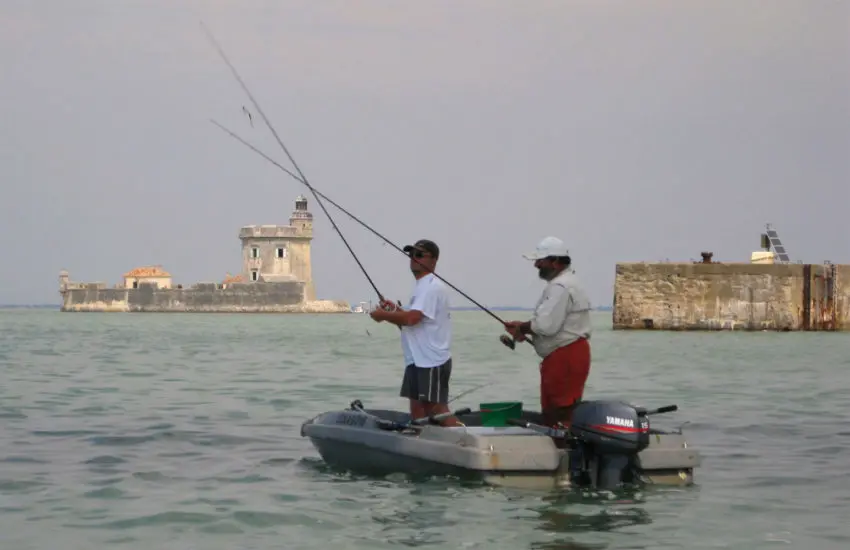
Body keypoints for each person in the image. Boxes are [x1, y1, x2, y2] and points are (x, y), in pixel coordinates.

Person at [369, 239, 460, 426]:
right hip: (416, 359)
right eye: (411, 254)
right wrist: (394, 311)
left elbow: (412, 319)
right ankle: (423, 443)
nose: (413, 258)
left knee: (437, 409)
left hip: (432, 359)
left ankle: (463, 441)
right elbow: (412, 323)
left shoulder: (431, 287)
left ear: (433, 260)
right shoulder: (421, 287)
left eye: (419, 255)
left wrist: (384, 315)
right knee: (417, 408)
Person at [504, 236, 592, 428]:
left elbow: (544, 326)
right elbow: (550, 325)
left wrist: (522, 328)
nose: (536, 265)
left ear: (554, 261)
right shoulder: (570, 282)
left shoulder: (560, 287)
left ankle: (564, 452)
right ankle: (565, 451)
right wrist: (526, 329)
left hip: (565, 357)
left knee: (559, 413)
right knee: (561, 410)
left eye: (540, 260)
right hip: (568, 353)